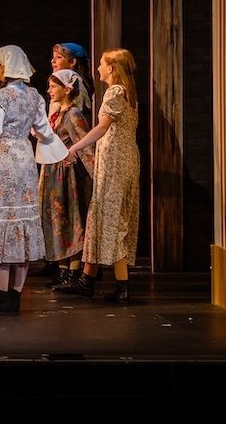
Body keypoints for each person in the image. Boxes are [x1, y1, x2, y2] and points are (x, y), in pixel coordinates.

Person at [0, 45, 68, 313]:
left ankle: (2, 294)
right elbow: (43, 132)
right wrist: (60, 151)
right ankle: (14, 296)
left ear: (4, 66)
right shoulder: (34, 97)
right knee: (22, 224)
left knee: (3, 224)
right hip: (25, 161)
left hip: (3, 163)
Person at [56, 48, 140, 303]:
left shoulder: (114, 92)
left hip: (115, 162)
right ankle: (87, 279)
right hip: (123, 159)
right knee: (102, 216)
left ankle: (122, 287)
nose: (98, 69)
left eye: (102, 64)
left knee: (113, 220)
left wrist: (74, 147)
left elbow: (102, 127)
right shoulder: (127, 92)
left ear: (112, 67)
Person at [38, 68, 95, 289]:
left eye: (54, 87)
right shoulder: (58, 113)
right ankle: (62, 270)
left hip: (67, 176)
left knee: (71, 218)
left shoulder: (73, 114)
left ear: (67, 89)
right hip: (53, 173)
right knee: (57, 220)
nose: (49, 90)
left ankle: (73, 272)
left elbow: (86, 145)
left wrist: (95, 173)